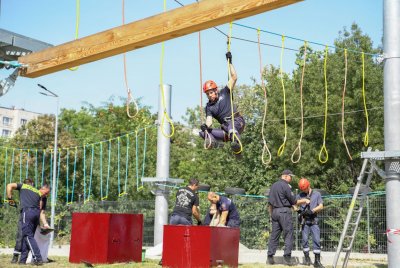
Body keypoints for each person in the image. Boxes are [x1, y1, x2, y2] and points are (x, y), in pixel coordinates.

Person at [199, 51, 245, 156]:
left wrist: (230, 62)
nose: (209, 95)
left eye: (210, 92)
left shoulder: (225, 92)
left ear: (216, 90)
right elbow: (209, 121)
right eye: (207, 94)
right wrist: (205, 126)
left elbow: (234, 77)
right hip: (226, 129)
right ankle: (217, 145)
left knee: (231, 127)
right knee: (202, 133)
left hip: (237, 122)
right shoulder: (209, 107)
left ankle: (238, 150)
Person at [267, 170, 310, 266]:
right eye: (291, 176)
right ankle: (287, 258)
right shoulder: (285, 186)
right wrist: (304, 200)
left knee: (274, 235)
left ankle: (270, 257)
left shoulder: (273, 185)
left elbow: (269, 202)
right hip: (284, 212)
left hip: (274, 212)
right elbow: (294, 201)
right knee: (288, 234)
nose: (291, 178)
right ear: (285, 176)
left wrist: (271, 214)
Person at [6, 182, 51, 265]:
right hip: (35, 214)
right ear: (43, 188)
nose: (47, 195)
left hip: (28, 212)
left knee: (27, 236)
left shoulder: (24, 186)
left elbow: (9, 185)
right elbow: (41, 210)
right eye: (47, 192)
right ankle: (22, 261)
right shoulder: (39, 194)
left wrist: (10, 198)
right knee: (26, 238)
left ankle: (38, 258)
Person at [297, 178, 325, 268]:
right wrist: (299, 211)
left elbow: (321, 206)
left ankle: (317, 261)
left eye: (304, 189)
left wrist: (312, 211)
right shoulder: (300, 195)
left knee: (316, 240)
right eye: (302, 189)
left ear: (308, 186)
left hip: (314, 220)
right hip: (304, 221)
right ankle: (307, 258)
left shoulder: (317, 194)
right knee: (305, 240)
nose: (303, 191)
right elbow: (294, 203)